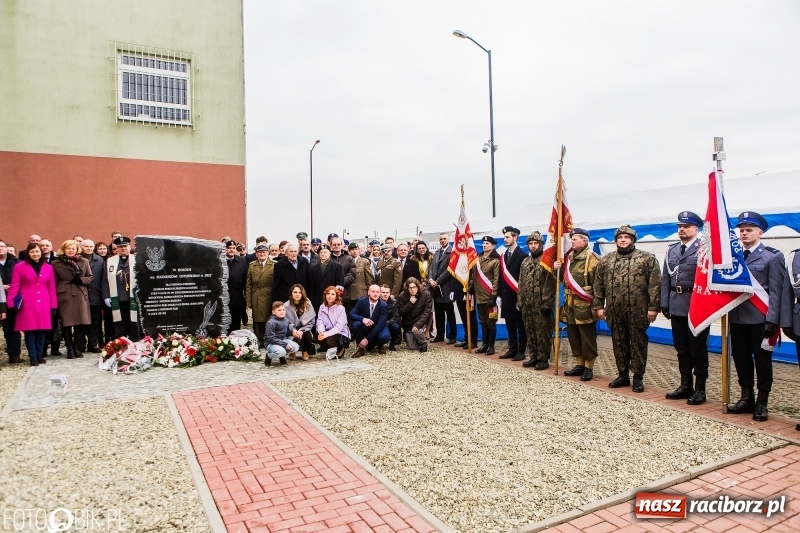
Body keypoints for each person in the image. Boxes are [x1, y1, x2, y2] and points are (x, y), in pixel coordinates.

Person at [727, 212, 792, 421]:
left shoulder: (772, 256)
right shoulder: (734, 256)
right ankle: (747, 397)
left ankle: (762, 402)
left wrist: (772, 320)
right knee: (741, 359)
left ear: (760, 232)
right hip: (737, 317)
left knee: (763, 362)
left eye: (749, 230)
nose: (744, 233)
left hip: (761, 319)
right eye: (742, 230)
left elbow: (776, 291)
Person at [593, 225, 661, 393]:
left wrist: (653, 308)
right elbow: (598, 285)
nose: (623, 239)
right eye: (620, 237)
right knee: (619, 343)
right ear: (616, 240)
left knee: (638, 343)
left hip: (638, 310)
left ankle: (638, 376)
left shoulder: (646, 259)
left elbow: (655, 285)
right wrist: (599, 306)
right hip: (615, 310)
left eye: (627, 237)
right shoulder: (607, 260)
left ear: (633, 240)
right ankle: (622, 374)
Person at [660, 211, 711, 404]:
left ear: (696, 229)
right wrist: (664, 302)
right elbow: (666, 278)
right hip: (676, 304)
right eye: (679, 226)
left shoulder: (704, 249)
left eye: (686, 226)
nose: (681, 229)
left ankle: (700, 388)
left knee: (698, 348)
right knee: (681, 348)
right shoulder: (672, 250)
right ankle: (685, 384)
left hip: (697, 305)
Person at [553, 229, 601, 381]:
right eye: (572, 239)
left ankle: (589, 367)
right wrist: (557, 270)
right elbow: (563, 280)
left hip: (585, 305)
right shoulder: (570, 257)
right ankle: (579, 364)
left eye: (575, 239)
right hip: (570, 304)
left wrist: (597, 306)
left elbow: (599, 285)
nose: (572, 241)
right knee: (574, 336)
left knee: (587, 337)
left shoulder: (592, 258)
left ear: (585, 241)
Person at [7, 243, 58, 366]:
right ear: (28, 254)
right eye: (32, 252)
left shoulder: (48, 268)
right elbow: (15, 286)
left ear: (41, 253)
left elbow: (51, 287)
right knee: (30, 331)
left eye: (37, 252)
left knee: (42, 331)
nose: (35, 254)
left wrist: (53, 305)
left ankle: (40, 355)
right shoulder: (20, 267)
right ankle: (33, 357)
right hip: (27, 303)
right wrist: (10, 302)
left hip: (44, 303)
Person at [518, 232, 557, 370]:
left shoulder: (547, 261)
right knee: (530, 330)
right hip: (527, 305)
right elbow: (521, 282)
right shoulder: (525, 262)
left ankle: (543, 358)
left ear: (541, 245)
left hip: (541, 305)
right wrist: (520, 301)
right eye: (531, 243)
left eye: (536, 243)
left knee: (543, 332)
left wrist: (547, 303)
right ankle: (533, 356)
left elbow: (550, 284)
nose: (533, 246)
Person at [52, 240, 93, 358]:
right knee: (67, 323)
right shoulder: (56, 263)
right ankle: (69, 348)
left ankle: (77, 347)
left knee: (81, 322)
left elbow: (90, 277)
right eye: (68, 248)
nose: (71, 250)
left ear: (77, 250)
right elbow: (54, 282)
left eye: (73, 248)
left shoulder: (84, 261)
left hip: (80, 294)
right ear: (63, 249)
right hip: (65, 295)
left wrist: (81, 280)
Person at [101, 236, 141, 341]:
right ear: (116, 249)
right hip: (117, 298)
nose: (123, 249)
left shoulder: (137, 259)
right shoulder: (110, 261)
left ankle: (136, 343)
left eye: (125, 246)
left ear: (129, 247)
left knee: (134, 322)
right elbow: (105, 280)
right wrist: (106, 296)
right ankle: (120, 344)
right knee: (119, 323)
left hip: (133, 298)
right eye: (120, 247)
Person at [498, 226, 528, 360]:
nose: (505, 239)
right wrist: (499, 295)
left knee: (520, 326)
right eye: (504, 237)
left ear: (515, 238)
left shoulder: (522, 256)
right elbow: (501, 276)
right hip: (506, 296)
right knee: (509, 324)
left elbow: (524, 279)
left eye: (508, 237)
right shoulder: (503, 256)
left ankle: (521, 351)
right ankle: (512, 348)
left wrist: (521, 297)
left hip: (517, 296)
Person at [471, 236, 500, 355]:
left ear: (493, 246)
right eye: (483, 243)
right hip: (479, 296)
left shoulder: (496, 260)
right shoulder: (478, 259)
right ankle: (484, 344)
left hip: (489, 296)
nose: (484, 245)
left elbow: (496, 279)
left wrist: (493, 296)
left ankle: (491, 346)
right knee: (482, 321)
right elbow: (474, 275)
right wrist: (470, 287)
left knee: (491, 322)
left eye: (487, 243)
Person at [428, 233, 457, 344]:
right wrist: (430, 279)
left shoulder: (452, 253)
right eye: (441, 239)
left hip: (446, 287)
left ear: (448, 239)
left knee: (449, 313)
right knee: (438, 313)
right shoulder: (436, 253)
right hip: (435, 288)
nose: (442, 240)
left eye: (444, 238)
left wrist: (438, 281)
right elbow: (431, 268)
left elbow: (450, 270)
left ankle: (452, 336)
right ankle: (440, 335)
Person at [350, 284, 390, 357]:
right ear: (368, 292)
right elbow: (351, 314)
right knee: (356, 324)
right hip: (366, 327)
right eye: (373, 291)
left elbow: (381, 324)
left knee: (385, 336)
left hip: (378, 328)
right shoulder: (361, 301)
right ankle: (361, 349)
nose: (375, 294)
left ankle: (380, 345)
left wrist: (367, 339)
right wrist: (363, 319)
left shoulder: (384, 305)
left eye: (378, 292)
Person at [246, 244, 274, 347]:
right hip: (256, 295)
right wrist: (248, 299)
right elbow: (248, 284)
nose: (262, 254)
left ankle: (269, 339)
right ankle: (259, 339)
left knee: (269, 318)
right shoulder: (252, 265)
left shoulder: (274, 264)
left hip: (269, 294)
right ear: (256, 254)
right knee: (257, 318)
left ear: (268, 253)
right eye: (260, 252)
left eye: (264, 252)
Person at [80, 239, 106, 353]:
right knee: (81, 322)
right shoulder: (77, 260)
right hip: (81, 296)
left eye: (91, 246)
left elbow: (103, 279)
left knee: (95, 322)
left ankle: (93, 344)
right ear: (81, 247)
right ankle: (80, 345)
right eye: (86, 246)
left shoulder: (99, 260)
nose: (89, 248)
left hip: (95, 295)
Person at [0, 239, 22, 364]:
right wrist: (1, 287)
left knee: (13, 328)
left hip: (13, 299)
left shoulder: (16, 262)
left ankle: (14, 355)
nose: (0, 248)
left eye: (2, 246)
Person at [397, 277, 432, 352]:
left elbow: (427, 312)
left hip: (420, 321)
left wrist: (418, 324)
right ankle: (415, 339)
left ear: (418, 286)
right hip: (408, 323)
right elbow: (401, 312)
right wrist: (410, 304)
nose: (412, 290)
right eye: (410, 288)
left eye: (414, 287)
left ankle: (423, 343)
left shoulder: (426, 294)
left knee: (417, 331)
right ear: (407, 288)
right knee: (411, 347)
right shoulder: (402, 296)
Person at [284, 284, 317, 360]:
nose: (297, 294)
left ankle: (305, 351)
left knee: (307, 336)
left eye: (300, 292)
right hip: (291, 330)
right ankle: (292, 351)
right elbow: (285, 322)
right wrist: (293, 330)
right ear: (291, 293)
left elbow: (311, 321)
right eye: (295, 292)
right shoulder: (286, 306)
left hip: (304, 328)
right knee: (295, 339)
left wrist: (302, 330)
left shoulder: (308, 304)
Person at [316, 285, 351, 356]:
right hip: (328, 332)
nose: (330, 296)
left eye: (332, 294)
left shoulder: (341, 308)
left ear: (336, 296)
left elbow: (338, 328)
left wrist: (325, 334)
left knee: (329, 339)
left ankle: (341, 348)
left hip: (341, 335)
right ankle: (331, 349)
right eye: (328, 294)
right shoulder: (322, 307)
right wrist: (322, 332)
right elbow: (320, 321)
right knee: (317, 335)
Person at [309, 244, 344, 311]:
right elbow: (312, 287)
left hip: (332, 299)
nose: (323, 254)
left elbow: (340, 285)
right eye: (321, 252)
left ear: (329, 253)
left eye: (325, 252)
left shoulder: (337, 267)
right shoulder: (314, 268)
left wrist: (337, 299)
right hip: (318, 300)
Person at [264, 301, 299, 366]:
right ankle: (269, 356)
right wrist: (284, 344)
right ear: (273, 312)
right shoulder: (270, 323)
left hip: (282, 340)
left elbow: (287, 332)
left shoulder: (286, 320)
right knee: (281, 351)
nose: (282, 311)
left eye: (283, 310)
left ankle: (282, 356)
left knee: (295, 347)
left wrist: (293, 333)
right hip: (271, 343)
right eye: (279, 310)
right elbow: (270, 338)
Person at [224, 240, 248, 331]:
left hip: (237, 295)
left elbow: (246, 278)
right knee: (226, 319)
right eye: (229, 248)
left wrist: (245, 293)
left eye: (233, 248)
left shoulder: (241, 261)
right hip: (225, 295)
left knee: (236, 319)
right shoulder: (220, 261)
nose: (231, 250)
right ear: (225, 249)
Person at [380, 284, 401, 350]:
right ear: (379, 293)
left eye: (387, 292)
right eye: (383, 292)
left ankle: (392, 343)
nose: (385, 294)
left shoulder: (394, 302)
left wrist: (386, 323)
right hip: (379, 323)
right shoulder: (376, 301)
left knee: (396, 326)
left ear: (390, 293)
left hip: (390, 322)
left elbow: (396, 317)